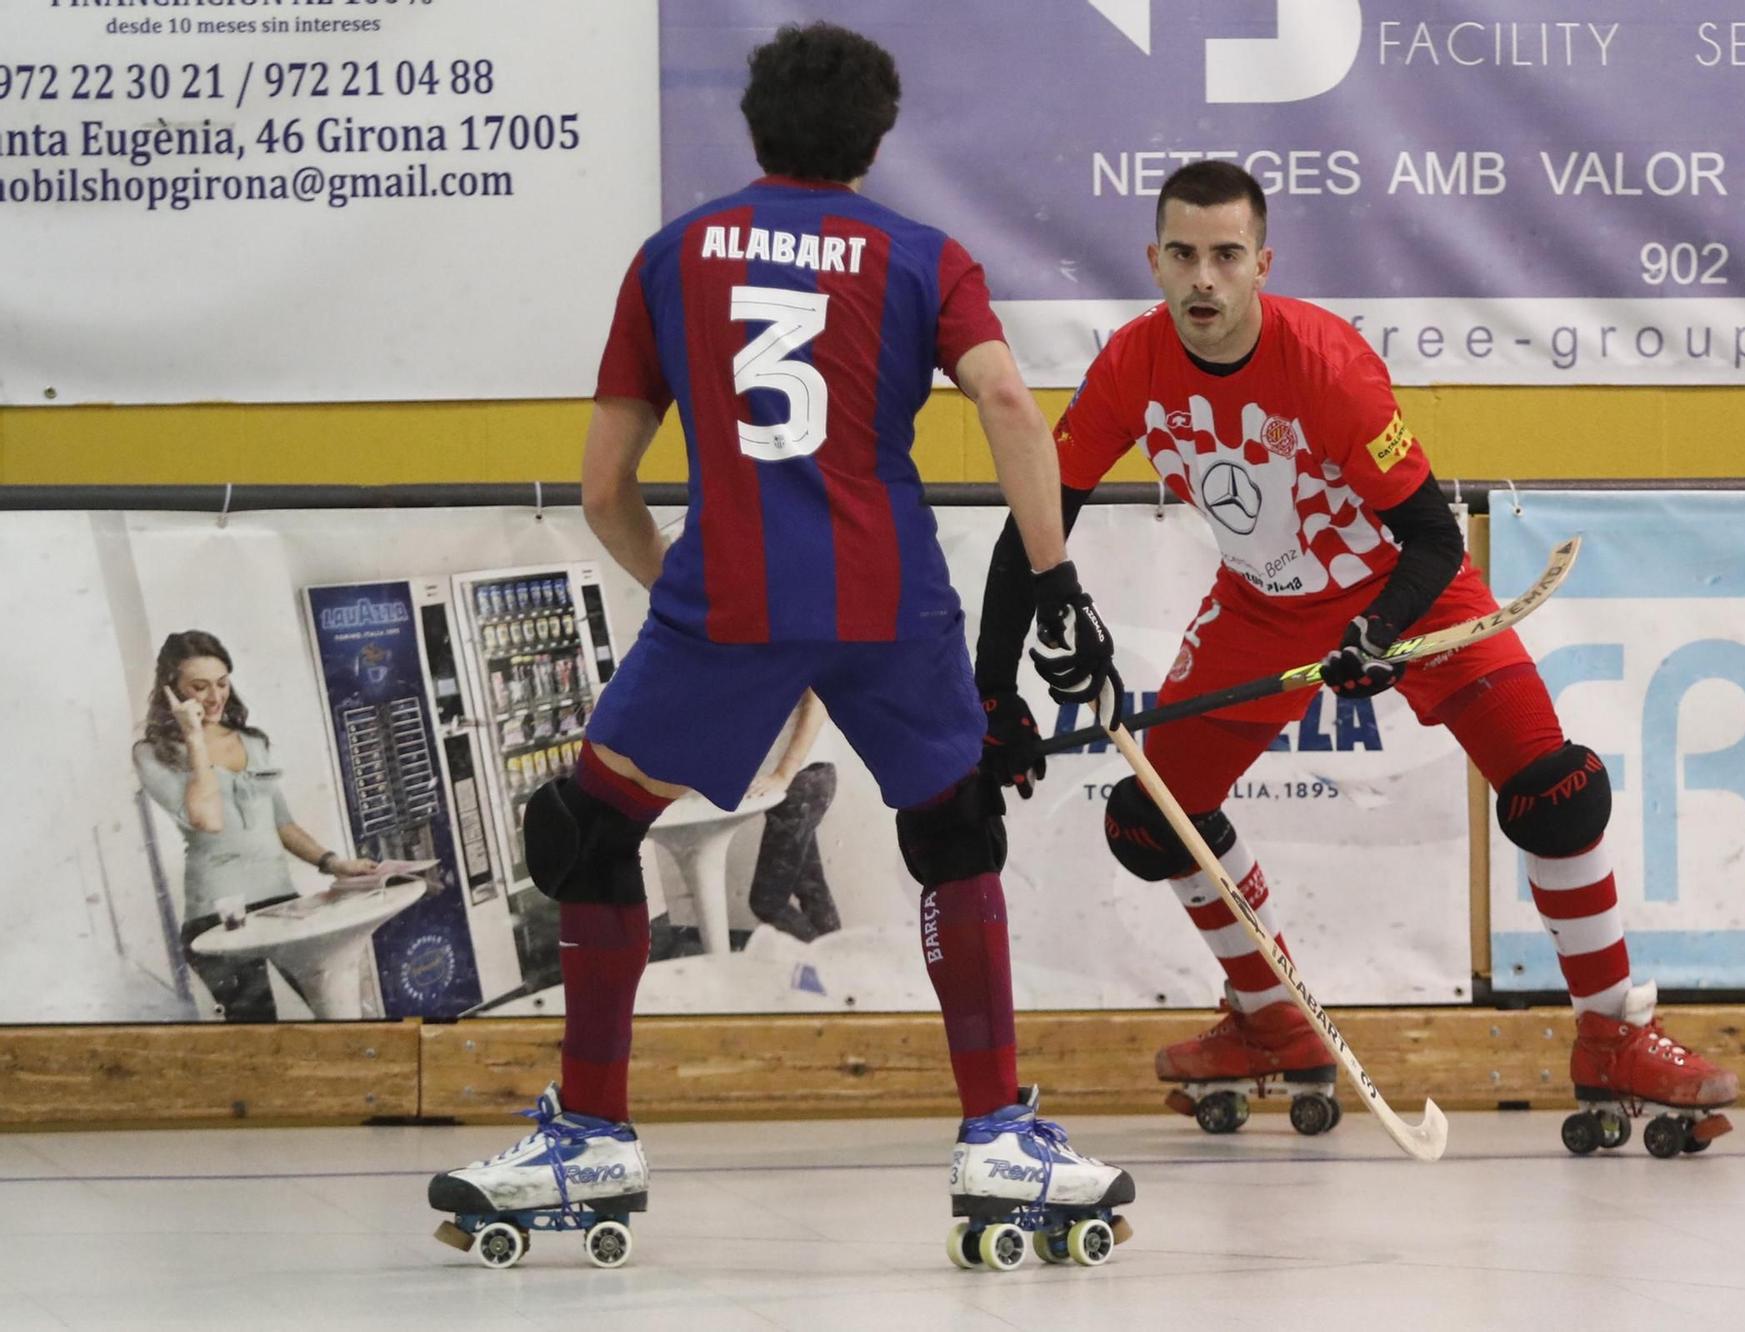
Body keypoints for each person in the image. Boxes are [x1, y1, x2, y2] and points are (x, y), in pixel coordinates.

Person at [430, 23, 1136, 1262]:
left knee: (588, 835)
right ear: (874, 140)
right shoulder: (924, 254)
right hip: (887, 599)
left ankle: (588, 1131)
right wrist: (1054, 575)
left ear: (753, 129)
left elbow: (604, 491)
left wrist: (682, 596)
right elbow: (1012, 406)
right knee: (955, 835)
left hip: (731, 599)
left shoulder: (670, 256)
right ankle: (997, 1135)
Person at [974, 160, 1738, 1149]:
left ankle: (1613, 1034)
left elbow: (1428, 535)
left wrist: (1376, 636)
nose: (1202, 279)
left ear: (1261, 264)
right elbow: (1035, 517)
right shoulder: (1130, 364)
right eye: (1181, 255)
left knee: (1557, 791)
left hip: (1404, 596)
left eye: (1224, 256)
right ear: (1152, 261)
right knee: (1153, 819)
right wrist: (994, 690)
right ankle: (1267, 1019)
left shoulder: (1324, 365)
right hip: (1262, 607)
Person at [132, 630, 377, 1022]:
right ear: (171, 691)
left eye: (222, 683)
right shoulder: (152, 753)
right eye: (199, 687)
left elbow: (282, 823)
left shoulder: (252, 742)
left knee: (341, 1011)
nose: (214, 697)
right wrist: (195, 739)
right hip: (217, 915)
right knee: (258, 1029)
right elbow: (207, 820)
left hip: (281, 902)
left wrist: (333, 862)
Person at [743, 691, 842, 944]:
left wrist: (784, 774)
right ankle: (839, 965)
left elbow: (819, 702)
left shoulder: (797, 649)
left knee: (766, 901)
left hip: (801, 781)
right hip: (802, 780)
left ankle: (826, 966)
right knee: (811, 886)